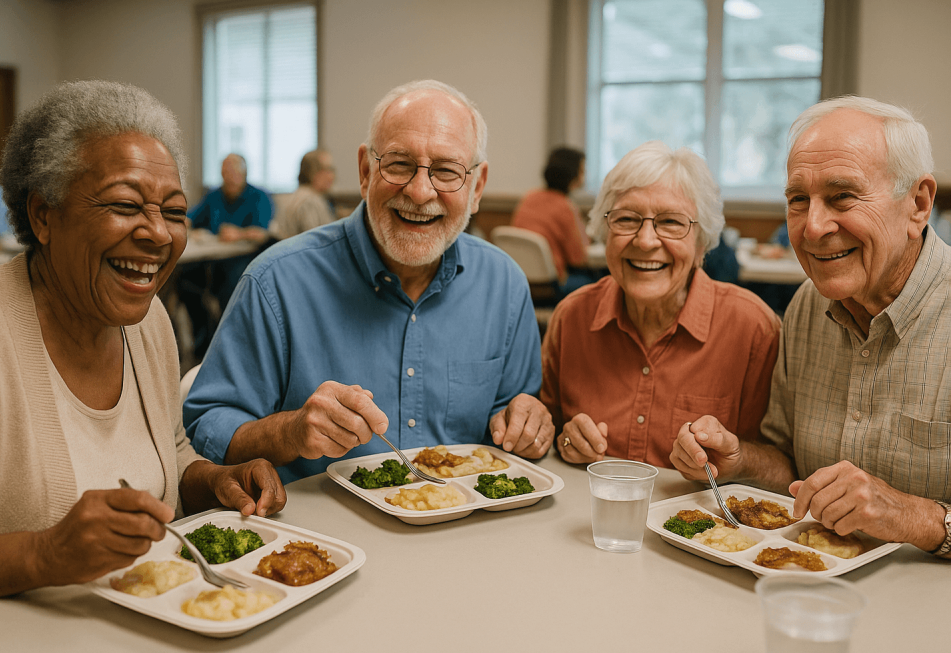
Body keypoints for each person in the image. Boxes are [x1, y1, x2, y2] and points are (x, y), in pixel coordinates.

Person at [0, 80, 287, 621]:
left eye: (174, 212)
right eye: (125, 205)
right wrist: (41, 555)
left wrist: (213, 481)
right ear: (44, 216)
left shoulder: (148, 324)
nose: (158, 234)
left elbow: (169, 453)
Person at [184, 80, 553, 483]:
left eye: (447, 171)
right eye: (398, 164)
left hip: (464, 530)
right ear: (365, 171)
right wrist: (289, 431)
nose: (419, 191)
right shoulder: (276, 282)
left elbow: (515, 413)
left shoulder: (505, 286)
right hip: (323, 540)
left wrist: (526, 422)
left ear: (477, 187)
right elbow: (209, 421)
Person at [670, 96, 951, 558]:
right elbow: (791, 469)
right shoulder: (807, 305)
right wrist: (739, 459)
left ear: (918, 204)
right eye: (798, 200)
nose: (813, 227)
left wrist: (912, 516)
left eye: (842, 196)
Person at [543, 141, 780, 468]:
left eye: (671, 222)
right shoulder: (572, 317)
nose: (646, 240)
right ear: (604, 232)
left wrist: (739, 459)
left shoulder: (752, 328)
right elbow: (547, 432)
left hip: (706, 518)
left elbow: (780, 465)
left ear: (701, 245)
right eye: (627, 219)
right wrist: (564, 440)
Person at [178, 153, 275, 360]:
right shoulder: (214, 196)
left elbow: (264, 232)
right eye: (224, 172)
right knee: (185, 279)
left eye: (232, 172)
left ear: (243, 173)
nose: (227, 177)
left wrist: (239, 233)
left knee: (231, 285)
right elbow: (193, 218)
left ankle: (231, 346)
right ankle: (202, 342)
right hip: (211, 259)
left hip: (243, 260)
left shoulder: (259, 196)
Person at [511, 147, 596, 295]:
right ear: (573, 173)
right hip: (554, 286)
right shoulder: (564, 206)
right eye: (583, 170)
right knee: (601, 283)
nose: (585, 175)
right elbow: (579, 258)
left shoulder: (529, 198)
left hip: (520, 280)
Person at [271, 149, 336, 240]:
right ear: (312, 172)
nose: (332, 176)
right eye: (327, 169)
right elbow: (317, 242)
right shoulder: (310, 201)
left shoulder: (298, 195)